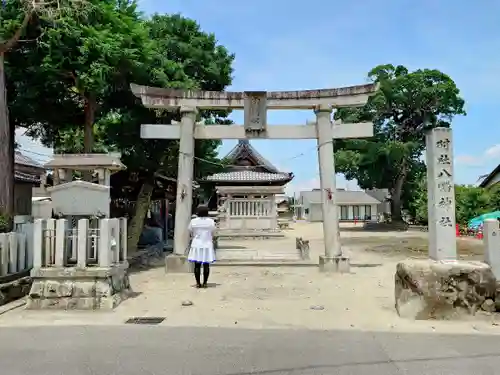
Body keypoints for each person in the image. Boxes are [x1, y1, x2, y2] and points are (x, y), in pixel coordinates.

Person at [187, 205, 216, 288]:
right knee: (206, 265)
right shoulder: (211, 221)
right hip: (207, 244)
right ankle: (205, 283)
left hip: (196, 244)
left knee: (197, 265)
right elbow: (213, 231)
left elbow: (190, 231)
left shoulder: (193, 221)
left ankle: (198, 283)